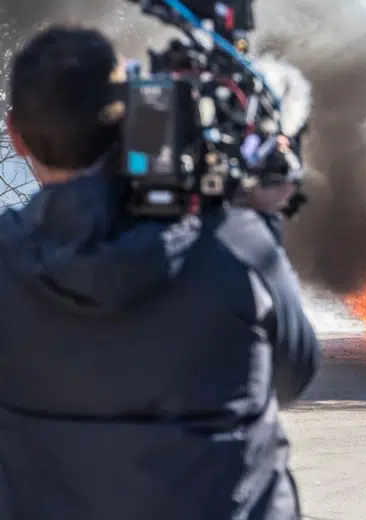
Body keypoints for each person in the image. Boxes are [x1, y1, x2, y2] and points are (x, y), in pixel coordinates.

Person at [0, 25, 319, 520]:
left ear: (15, 134)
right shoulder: (234, 242)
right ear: (124, 114)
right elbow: (293, 375)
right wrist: (261, 225)